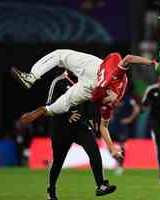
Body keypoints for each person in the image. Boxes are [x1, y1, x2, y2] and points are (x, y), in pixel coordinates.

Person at [11, 10, 160, 160]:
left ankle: (42, 103)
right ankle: (38, 92)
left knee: (63, 84)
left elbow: (103, 127)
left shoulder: (108, 90)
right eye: (108, 100)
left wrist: (153, 62)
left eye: (107, 101)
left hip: (92, 78)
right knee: (64, 80)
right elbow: (128, 58)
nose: (110, 102)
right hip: (92, 78)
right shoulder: (109, 91)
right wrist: (152, 62)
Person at [46, 71, 117, 199]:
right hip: (61, 128)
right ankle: (51, 190)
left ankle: (100, 185)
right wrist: (67, 114)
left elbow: (92, 101)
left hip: (80, 127)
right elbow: (49, 106)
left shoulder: (85, 80)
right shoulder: (58, 82)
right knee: (58, 161)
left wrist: (92, 118)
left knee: (94, 151)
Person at [109, 91, 141, 175]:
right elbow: (108, 107)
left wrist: (129, 119)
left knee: (121, 145)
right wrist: (110, 116)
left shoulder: (128, 99)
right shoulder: (114, 97)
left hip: (123, 126)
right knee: (109, 145)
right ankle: (116, 161)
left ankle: (120, 166)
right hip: (113, 125)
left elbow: (137, 109)